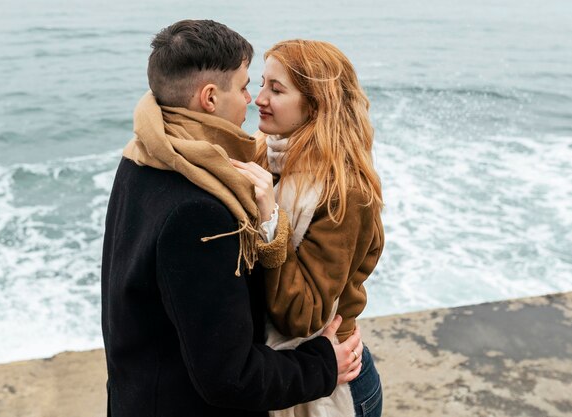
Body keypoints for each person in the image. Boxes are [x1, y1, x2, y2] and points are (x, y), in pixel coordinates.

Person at [101, 20, 365, 417]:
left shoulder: (143, 155)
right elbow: (229, 376)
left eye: (272, 88)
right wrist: (323, 364)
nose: (253, 98)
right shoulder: (202, 208)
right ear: (209, 98)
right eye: (247, 85)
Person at [232, 39, 384, 417]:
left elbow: (303, 316)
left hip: (334, 382)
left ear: (315, 105)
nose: (258, 99)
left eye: (276, 89)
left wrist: (271, 223)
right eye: (260, 83)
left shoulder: (344, 193)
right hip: (286, 375)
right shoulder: (263, 155)